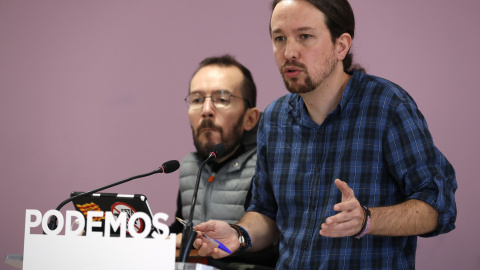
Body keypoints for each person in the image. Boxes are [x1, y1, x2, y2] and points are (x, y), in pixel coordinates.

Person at [193, 1, 458, 269]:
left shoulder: (388, 106)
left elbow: (439, 206)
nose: (289, 52)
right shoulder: (273, 118)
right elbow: (266, 213)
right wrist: (238, 234)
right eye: (279, 38)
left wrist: (367, 220)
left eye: (305, 36)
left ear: (341, 46)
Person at [170, 54, 278, 269]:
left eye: (221, 99)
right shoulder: (191, 167)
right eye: (197, 99)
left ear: (250, 119)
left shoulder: (269, 164)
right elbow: (178, 230)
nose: (207, 110)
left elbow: (277, 243)